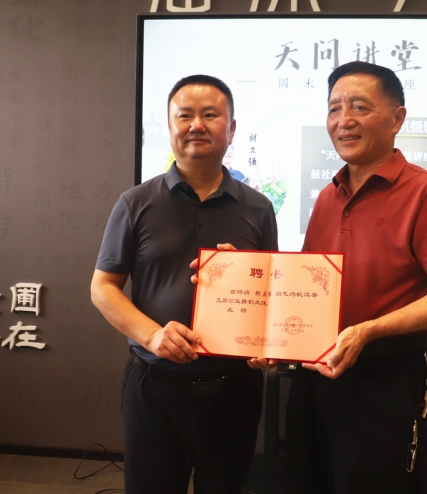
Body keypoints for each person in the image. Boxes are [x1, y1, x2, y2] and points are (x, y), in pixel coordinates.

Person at [285, 61, 427, 494]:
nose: (344, 120)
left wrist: (368, 331)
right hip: (317, 376)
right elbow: (307, 286)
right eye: (334, 108)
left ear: (397, 118)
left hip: (385, 379)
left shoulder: (426, 191)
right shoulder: (327, 196)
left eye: (360, 107)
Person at [90, 75, 278, 494]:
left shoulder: (259, 208)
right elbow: (102, 287)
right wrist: (152, 335)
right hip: (154, 386)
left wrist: (267, 342)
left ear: (231, 128)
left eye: (210, 115)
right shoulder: (135, 202)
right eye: (185, 115)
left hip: (235, 389)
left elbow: (270, 295)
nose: (197, 125)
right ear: (170, 126)